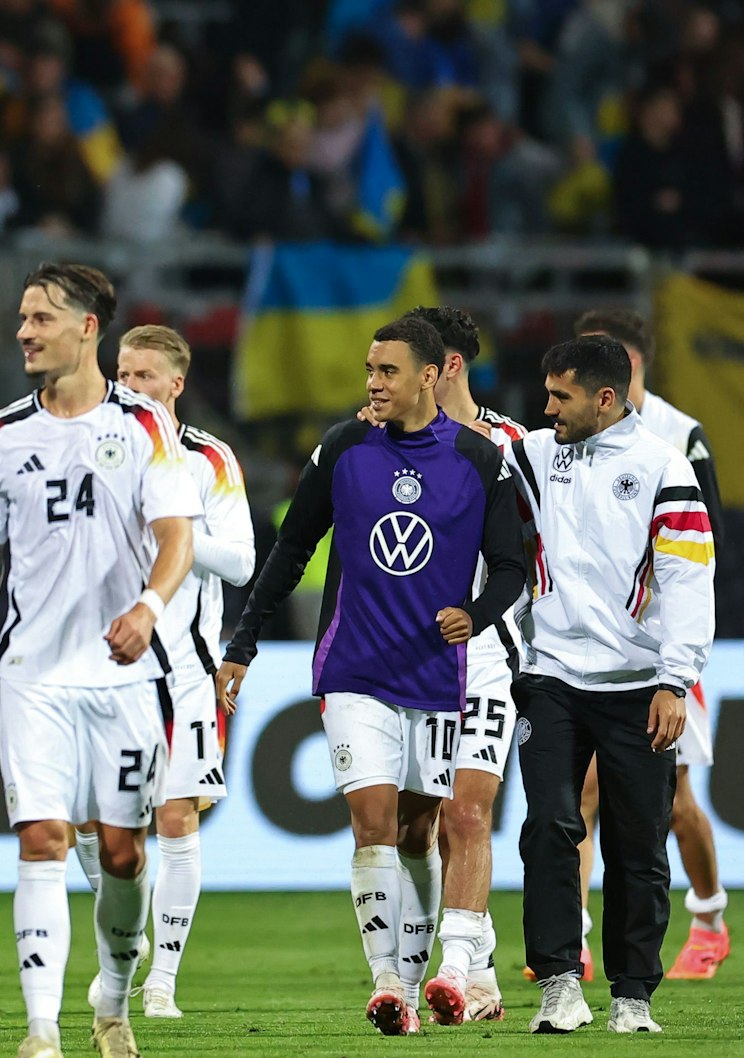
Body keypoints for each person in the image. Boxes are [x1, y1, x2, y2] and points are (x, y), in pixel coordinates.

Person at [216, 316, 525, 1036]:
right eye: (368, 370)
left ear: (429, 375)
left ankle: (432, 981)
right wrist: (244, 641)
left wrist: (475, 616)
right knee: (373, 823)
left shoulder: (481, 460)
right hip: (355, 667)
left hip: (438, 672)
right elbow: (291, 548)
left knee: (424, 830)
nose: (372, 384)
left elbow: (510, 566)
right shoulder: (345, 447)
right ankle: (389, 983)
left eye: (387, 371)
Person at [0, 266, 198, 1058]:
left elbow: (177, 539)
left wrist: (148, 609)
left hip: (124, 676)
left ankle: (113, 1001)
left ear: (87, 328)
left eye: (41, 318)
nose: (23, 331)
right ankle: (41, 1030)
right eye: (21, 317)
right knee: (44, 838)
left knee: (122, 854)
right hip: (31, 679)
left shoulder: (145, 427)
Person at [509, 334, 714, 1035]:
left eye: (559, 396)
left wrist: (675, 679)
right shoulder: (535, 453)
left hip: (638, 685)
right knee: (548, 829)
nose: (547, 408)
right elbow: (468, 429)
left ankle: (633, 995)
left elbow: (689, 576)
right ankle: (560, 983)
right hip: (551, 678)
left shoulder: (663, 468)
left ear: (604, 397)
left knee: (638, 843)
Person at [571, 308, 729, 981]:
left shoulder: (679, 438)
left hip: (662, 650)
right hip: (586, 649)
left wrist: (679, 649)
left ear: (634, 367)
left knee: (672, 802)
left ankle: (710, 916)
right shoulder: (567, 435)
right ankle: (574, 939)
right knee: (581, 793)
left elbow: (702, 547)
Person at [385, 306, 528, 1025]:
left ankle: (455, 968)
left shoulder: (512, 446)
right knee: (423, 828)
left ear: (447, 369)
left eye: (411, 367)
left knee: (467, 812)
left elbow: (536, 561)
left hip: (489, 659)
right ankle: (484, 975)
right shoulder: (379, 442)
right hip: (405, 664)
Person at [109, 323, 256, 1020]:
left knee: (174, 819)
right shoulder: (92, 447)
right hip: (99, 663)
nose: (130, 387)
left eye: (144, 376)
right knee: (96, 825)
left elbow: (243, 562)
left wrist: (176, 532)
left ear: (176, 384)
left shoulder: (209, 459)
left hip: (184, 670)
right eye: (122, 373)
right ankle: (128, 939)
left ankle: (162, 980)